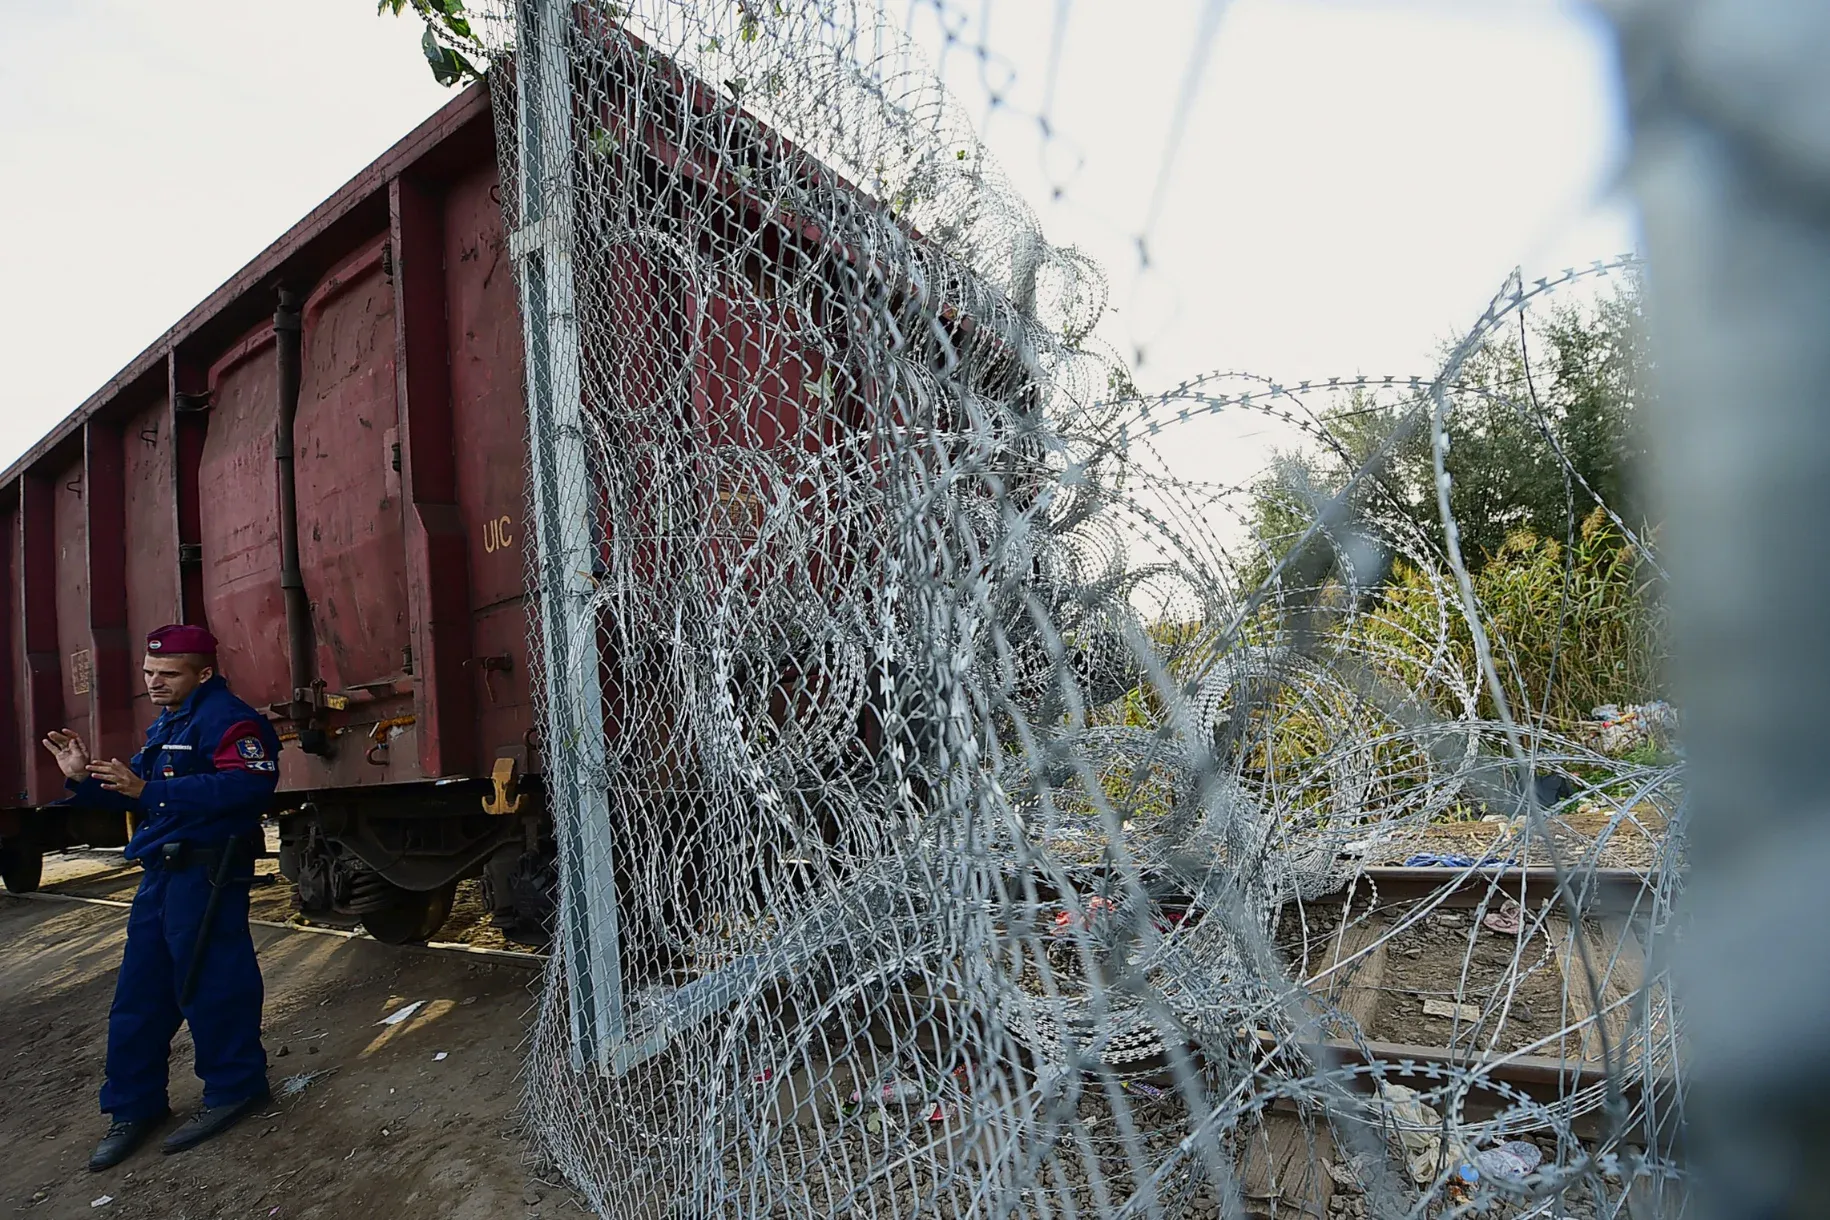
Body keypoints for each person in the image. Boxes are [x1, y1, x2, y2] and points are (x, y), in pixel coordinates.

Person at [41, 625, 282, 1172]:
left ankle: (235, 1089)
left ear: (202, 673)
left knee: (212, 986)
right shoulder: (171, 722)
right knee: (139, 995)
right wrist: (84, 781)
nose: (153, 683)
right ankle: (134, 1107)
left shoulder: (230, 720)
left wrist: (148, 790)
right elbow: (142, 794)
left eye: (167, 674)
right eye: (149, 674)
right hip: (161, 877)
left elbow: (249, 786)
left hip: (207, 874)